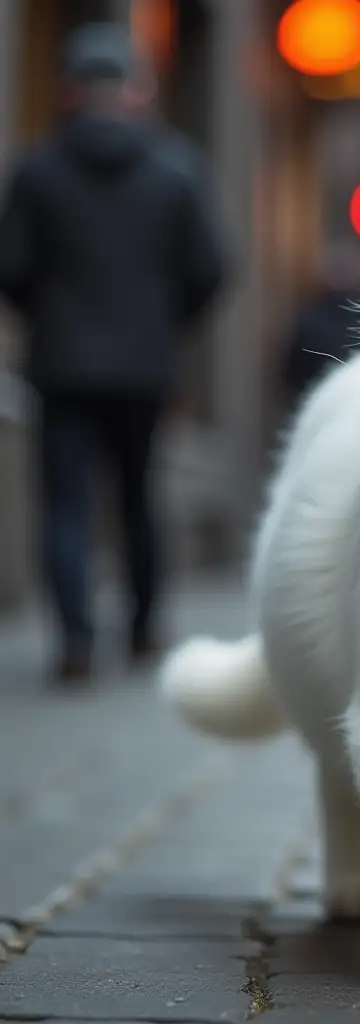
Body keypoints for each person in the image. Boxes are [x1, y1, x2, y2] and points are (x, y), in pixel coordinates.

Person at [0, 24, 227, 682]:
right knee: (137, 498)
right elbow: (211, 267)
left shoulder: (37, 171)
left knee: (65, 503)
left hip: (62, 364)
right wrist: (165, 323)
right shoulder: (175, 169)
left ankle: (74, 640)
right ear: (136, 91)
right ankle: (143, 631)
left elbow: (10, 267)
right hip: (145, 364)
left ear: (70, 92)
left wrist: (49, 318)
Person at [281, 240, 360, 414]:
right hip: (337, 405)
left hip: (324, 404)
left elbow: (289, 376)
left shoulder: (311, 317)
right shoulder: (312, 319)